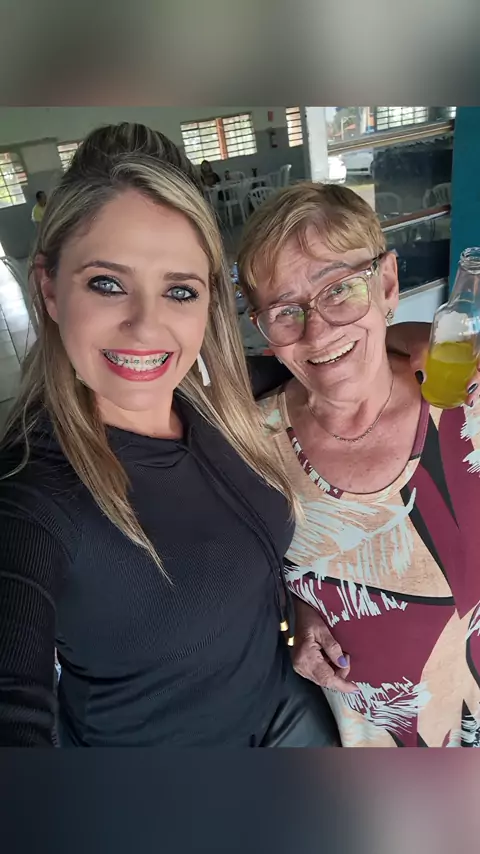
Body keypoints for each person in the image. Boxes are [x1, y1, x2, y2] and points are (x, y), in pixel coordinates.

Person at [0, 124, 339, 747]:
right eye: (107, 283)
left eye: (179, 290)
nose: (146, 327)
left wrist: (412, 347)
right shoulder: (30, 495)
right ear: (48, 288)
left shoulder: (217, 402)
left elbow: (322, 362)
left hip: (290, 713)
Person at [238, 181, 480, 748]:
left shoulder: (467, 398)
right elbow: (239, 574)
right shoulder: (249, 447)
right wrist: (293, 610)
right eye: (285, 311)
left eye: (340, 289)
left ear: (387, 283)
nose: (318, 329)